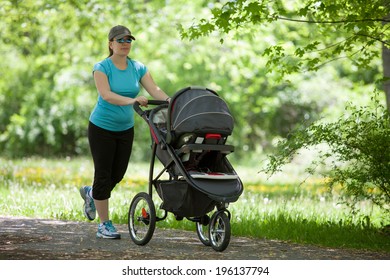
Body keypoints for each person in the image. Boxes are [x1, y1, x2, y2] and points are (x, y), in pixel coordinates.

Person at [79, 25, 170, 239]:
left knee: (117, 173)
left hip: (125, 129)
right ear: (111, 44)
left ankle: (92, 194)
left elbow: (154, 89)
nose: (125, 44)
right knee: (103, 174)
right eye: (120, 40)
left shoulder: (137, 67)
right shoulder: (102, 67)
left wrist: (172, 102)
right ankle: (104, 225)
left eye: (128, 40)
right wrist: (132, 101)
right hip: (101, 128)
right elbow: (107, 95)